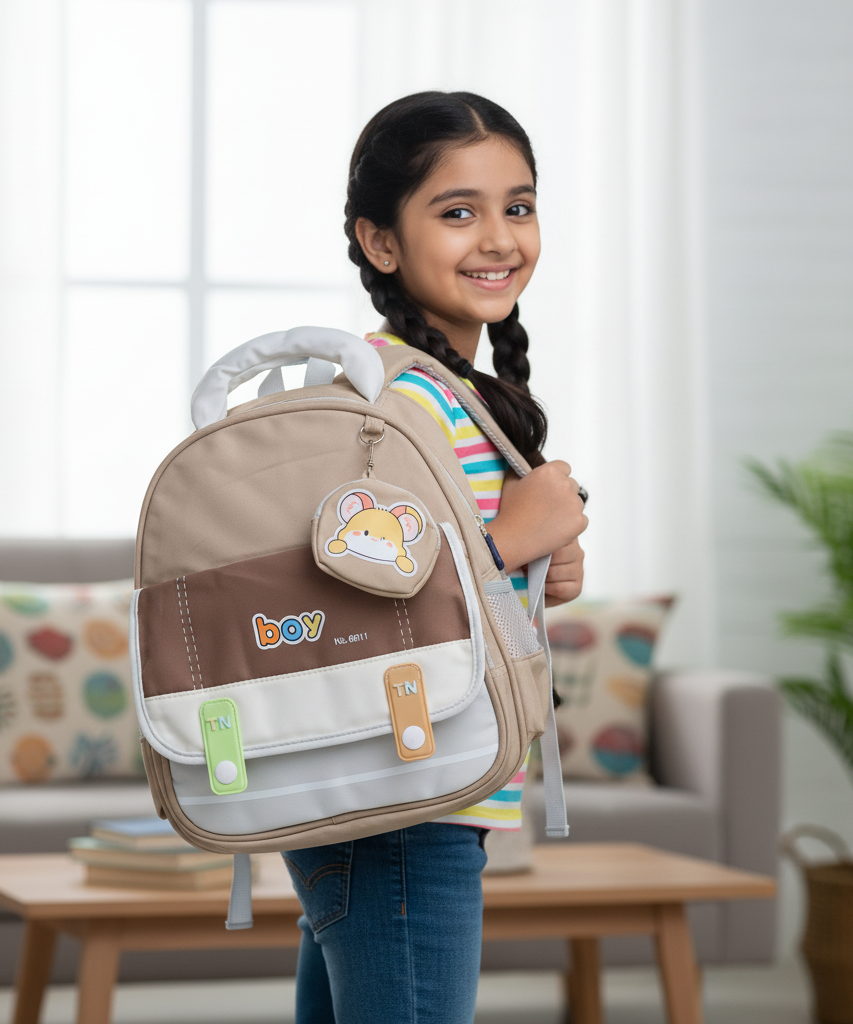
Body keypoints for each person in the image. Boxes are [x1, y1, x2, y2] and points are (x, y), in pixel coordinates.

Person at [280, 91, 589, 1024]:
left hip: (404, 801)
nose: (499, 238)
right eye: (458, 212)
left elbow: (428, 582)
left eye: (518, 206)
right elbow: (356, 617)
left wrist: (533, 571)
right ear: (381, 242)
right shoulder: (394, 401)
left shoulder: (451, 392)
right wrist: (511, 542)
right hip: (406, 811)